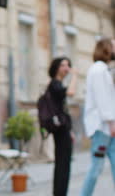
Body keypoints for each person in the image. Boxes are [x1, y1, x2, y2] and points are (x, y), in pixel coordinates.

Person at [81, 38, 115, 196]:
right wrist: (112, 123)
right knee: (96, 168)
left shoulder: (102, 69)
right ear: (107, 49)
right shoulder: (99, 70)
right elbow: (104, 100)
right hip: (103, 128)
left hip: (106, 127)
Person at [47, 57, 77, 196]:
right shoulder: (55, 84)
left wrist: (70, 131)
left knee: (63, 163)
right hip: (60, 129)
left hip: (64, 129)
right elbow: (71, 92)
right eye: (63, 65)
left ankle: (60, 192)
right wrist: (75, 75)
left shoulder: (57, 84)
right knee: (62, 164)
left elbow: (63, 109)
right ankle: (59, 193)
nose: (66, 68)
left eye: (68, 65)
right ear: (56, 68)